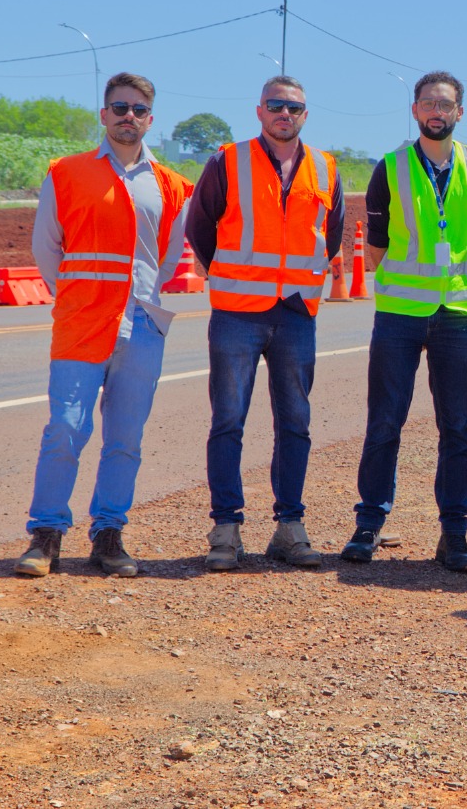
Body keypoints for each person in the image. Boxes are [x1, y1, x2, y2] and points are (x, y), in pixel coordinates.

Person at [12, 73, 193, 578]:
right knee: (65, 429)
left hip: (142, 324)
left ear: (150, 119)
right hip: (82, 321)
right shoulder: (66, 173)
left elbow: (171, 254)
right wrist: (77, 293)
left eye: (137, 109)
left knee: (125, 437)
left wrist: (144, 301)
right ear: (103, 114)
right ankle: (45, 535)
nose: (127, 116)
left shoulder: (171, 185)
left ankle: (109, 535)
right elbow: (47, 249)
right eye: (118, 107)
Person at [340, 71, 467, 574]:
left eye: (445, 103)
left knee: (458, 428)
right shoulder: (390, 167)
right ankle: (368, 525)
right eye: (428, 102)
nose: (436, 110)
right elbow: (376, 249)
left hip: (457, 316)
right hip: (400, 316)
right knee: (385, 421)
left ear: (459, 113)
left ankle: (454, 533)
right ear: (414, 111)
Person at [187, 75, 344, 571]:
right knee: (228, 419)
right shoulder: (227, 161)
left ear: (305, 114)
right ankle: (226, 528)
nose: (285, 114)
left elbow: (332, 236)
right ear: (259, 111)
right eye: (276, 105)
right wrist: (237, 278)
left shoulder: (324, 167)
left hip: (296, 312)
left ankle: (289, 527)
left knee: (295, 422)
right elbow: (200, 228)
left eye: (295, 107)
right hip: (237, 312)